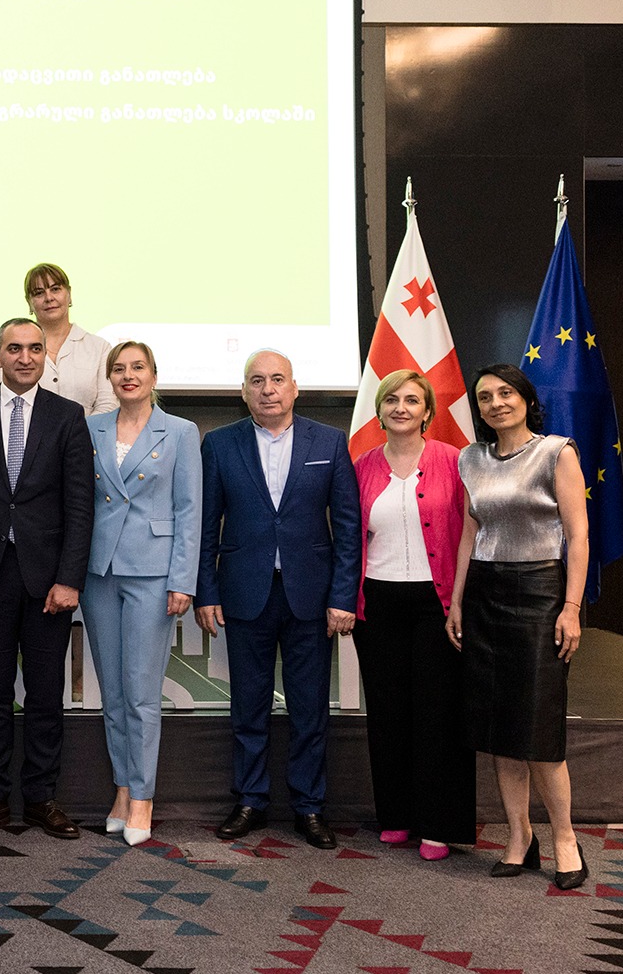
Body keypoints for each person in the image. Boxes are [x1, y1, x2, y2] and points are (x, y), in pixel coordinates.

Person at [196, 350, 361, 850]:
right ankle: (250, 799)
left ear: (294, 388)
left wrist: (343, 595)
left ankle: (309, 806)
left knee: (310, 709)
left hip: (311, 596)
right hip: (244, 594)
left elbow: (348, 526)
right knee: (249, 706)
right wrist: (206, 590)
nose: (267, 389)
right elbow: (205, 526)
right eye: (256, 381)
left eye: (277, 379)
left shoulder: (328, 442)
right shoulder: (219, 444)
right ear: (243, 392)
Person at [449, 364, 591, 889]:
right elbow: (470, 534)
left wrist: (571, 607)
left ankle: (565, 839)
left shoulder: (557, 452)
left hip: (539, 594)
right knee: (499, 729)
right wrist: (456, 601)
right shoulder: (470, 458)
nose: (496, 403)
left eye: (506, 393)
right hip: (484, 594)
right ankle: (519, 837)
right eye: (485, 397)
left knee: (539, 728)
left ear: (527, 399)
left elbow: (578, 536)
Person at [0, 317, 94, 840]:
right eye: (14, 349)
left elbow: (80, 505)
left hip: (48, 581)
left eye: (35, 349)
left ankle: (41, 797)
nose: (25, 357)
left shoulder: (68, 415)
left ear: (45, 356)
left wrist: (70, 578)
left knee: (44, 695)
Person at [82, 341, 200, 847]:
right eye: (118, 368)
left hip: (153, 571)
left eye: (137, 367)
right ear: (109, 378)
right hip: (99, 571)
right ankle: (123, 788)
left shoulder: (180, 431)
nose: (127, 375)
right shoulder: (91, 428)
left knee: (141, 694)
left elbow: (189, 510)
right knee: (112, 694)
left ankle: (144, 797)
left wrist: (183, 580)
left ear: (153, 375)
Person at [354, 368, 473, 863]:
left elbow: (471, 536)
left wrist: (460, 601)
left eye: (411, 400)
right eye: (391, 400)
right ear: (379, 411)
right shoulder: (361, 466)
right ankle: (396, 816)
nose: (400, 408)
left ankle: (438, 824)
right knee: (387, 712)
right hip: (377, 602)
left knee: (436, 714)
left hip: (436, 603)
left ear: (428, 411)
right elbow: (349, 537)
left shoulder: (456, 461)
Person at [14, 263, 117, 415]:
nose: (49, 298)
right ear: (29, 302)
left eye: (55, 289)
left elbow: (108, 405)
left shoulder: (99, 348)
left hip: (88, 430)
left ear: (69, 294)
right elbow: (4, 401)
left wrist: (77, 429)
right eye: (39, 293)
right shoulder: (11, 349)